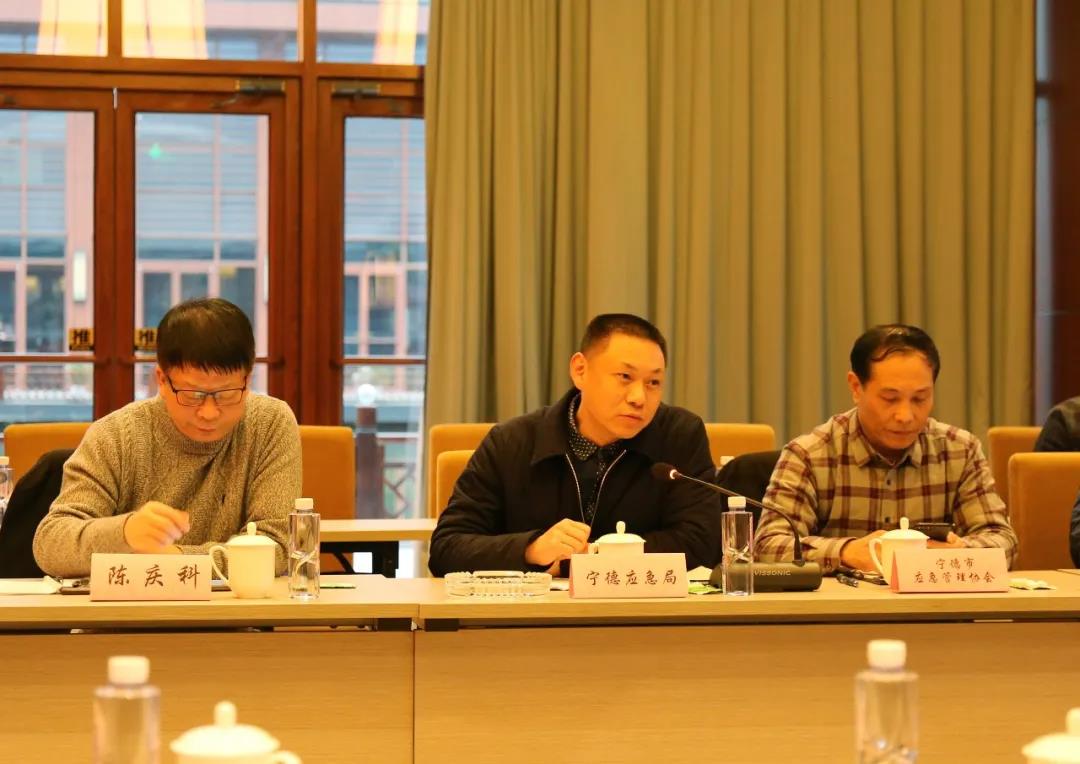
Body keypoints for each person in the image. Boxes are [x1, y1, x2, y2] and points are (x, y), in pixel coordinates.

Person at [428, 314, 720, 576]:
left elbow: (703, 542)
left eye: (653, 383)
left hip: (644, 613)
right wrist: (531, 550)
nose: (639, 398)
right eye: (625, 377)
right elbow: (447, 548)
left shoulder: (679, 435)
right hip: (534, 615)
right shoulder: (512, 442)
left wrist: (591, 557)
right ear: (580, 370)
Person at [33, 298, 301, 578]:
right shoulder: (116, 435)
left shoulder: (270, 423)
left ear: (248, 380)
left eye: (226, 394)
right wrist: (125, 533)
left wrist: (178, 560)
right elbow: (51, 544)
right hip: (127, 606)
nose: (209, 412)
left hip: (234, 606)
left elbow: (278, 546)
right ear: (162, 379)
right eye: (192, 395)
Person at [755, 324, 1018, 573]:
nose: (905, 415)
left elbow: (1002, 539)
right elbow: (768, 546)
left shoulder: (960, 451)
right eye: (890, 399)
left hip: (932, 604)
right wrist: (846, 552)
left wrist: (955, 554)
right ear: (856, 387)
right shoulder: (809, 455)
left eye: (920, 398)